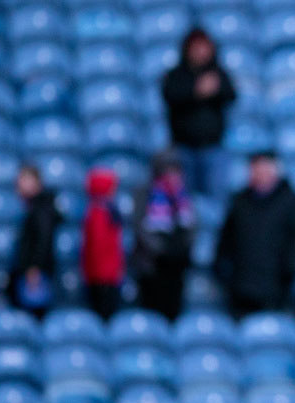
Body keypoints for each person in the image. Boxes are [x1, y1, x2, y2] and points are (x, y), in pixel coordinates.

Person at [214, 151, 295, 320]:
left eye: (264, 169)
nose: (259, 174)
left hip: (276, 288)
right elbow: (225, 239)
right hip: (240, 288)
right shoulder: (239, 201)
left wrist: (287, 269)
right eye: (256, 169)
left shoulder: (290, 202)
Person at [162, 27, 236, 198]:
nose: (201, 52)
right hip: (183, 149)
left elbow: (232, 95)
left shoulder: (218, 73)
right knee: (184, 203)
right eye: (196, 47)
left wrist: (215, 89)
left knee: (217, 200)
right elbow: (170, 96)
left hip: (213, 148)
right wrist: (196, 91)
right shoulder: (177, 75)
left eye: (204, 47)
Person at [132, 150, 196, 321]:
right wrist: (162, 249)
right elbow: (140, 228)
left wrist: (177, 249)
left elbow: (192, 228)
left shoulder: (183, 196)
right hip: (152, 268)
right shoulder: (146, 195)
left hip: (176, 269)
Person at [10, 164, 63, 319]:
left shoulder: (41, 208)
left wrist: (34, 268)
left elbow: (43, 240)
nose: (18, 183)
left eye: (24, 179)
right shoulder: (31, 207)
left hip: (34, 273)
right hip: (31, 270)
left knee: (33, 316)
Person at [80, 168, 124, 320]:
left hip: (108, 274)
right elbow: (97, 247)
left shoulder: (107, 210)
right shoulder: (99, 212)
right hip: (101, 277)